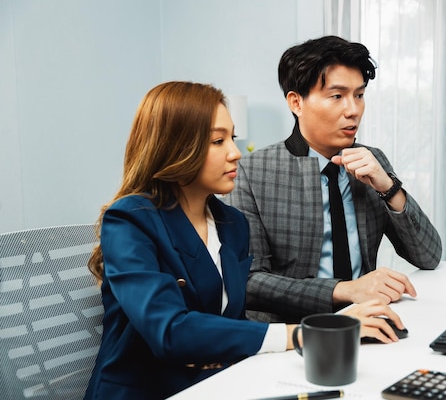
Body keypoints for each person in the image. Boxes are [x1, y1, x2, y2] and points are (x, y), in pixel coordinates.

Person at [84, 81, 406, 400]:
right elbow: (171, 332)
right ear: (174, 147)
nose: (235, 153)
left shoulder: (231, 223)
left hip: (218, 384)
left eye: (232, 138)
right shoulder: (130, 220)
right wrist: (307, 334)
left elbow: (226, 325)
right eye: (217, 141)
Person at [225, 36, 443, 323]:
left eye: (359, 95)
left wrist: (388, 187)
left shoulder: (372, 160)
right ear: (296, 103)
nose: (352, 110)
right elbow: (250, 282)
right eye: (337, 96)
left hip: (370, 323)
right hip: (290, 335)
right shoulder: (252, 172)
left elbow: (428, 256)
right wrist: (344, 290)